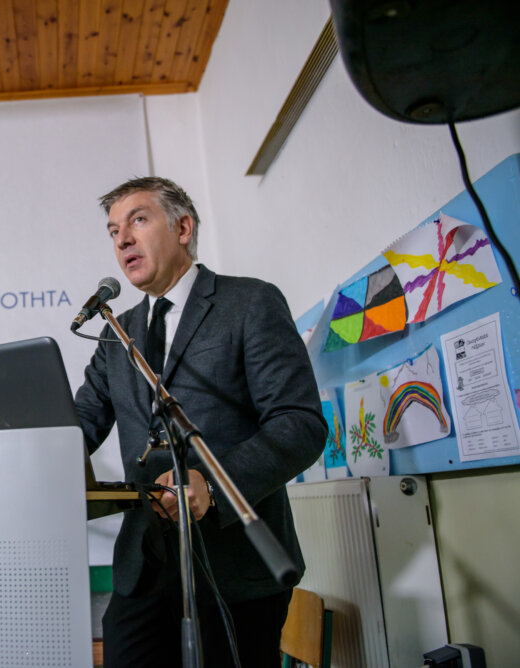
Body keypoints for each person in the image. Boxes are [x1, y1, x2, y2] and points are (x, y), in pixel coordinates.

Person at [74, 177, 326, 667]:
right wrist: (17, 451)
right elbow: (81, 423)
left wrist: (211, 483)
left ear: (183, 227)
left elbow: (299, 423)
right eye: (113, 231)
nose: (122, 240)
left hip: (235, 570)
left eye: (138, 220)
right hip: (143, 569)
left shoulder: (249, 303)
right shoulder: (116, 333)